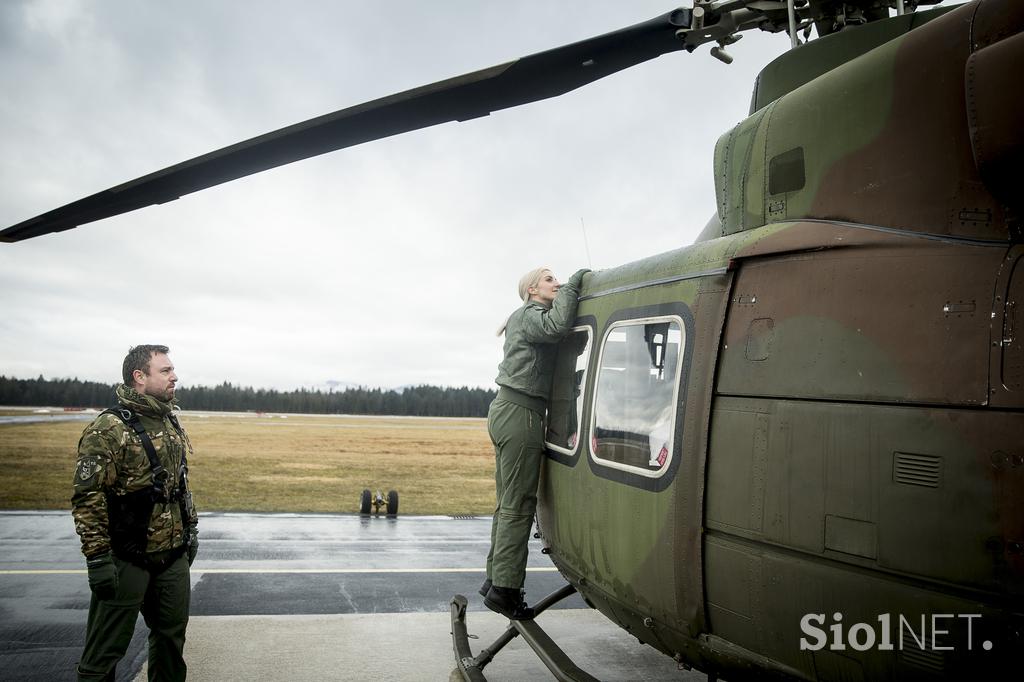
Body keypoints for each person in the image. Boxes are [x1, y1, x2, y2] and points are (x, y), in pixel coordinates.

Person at [72, 345, 199, 681]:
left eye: (173, 370)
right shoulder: (109, 428)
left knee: (171, 642)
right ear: (139, 377)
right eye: (166, 371)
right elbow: (88, 497)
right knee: (105, 651)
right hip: (127, 558)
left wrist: (191, 530)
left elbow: (179, 483)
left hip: (172, 556)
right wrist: (98, 558)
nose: (175, 376)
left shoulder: (168, 418)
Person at [482, 266, 589, 620]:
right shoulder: (532, 315)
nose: (555, 282)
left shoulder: (524, 316)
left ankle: (494, 578)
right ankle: (506, 590)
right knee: (519, 503)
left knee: (506, 501)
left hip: (509, 410)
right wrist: (577, 282)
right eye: (549, 279)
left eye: (558, 279)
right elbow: (557, 326)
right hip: (521, 414)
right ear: (531, 289)